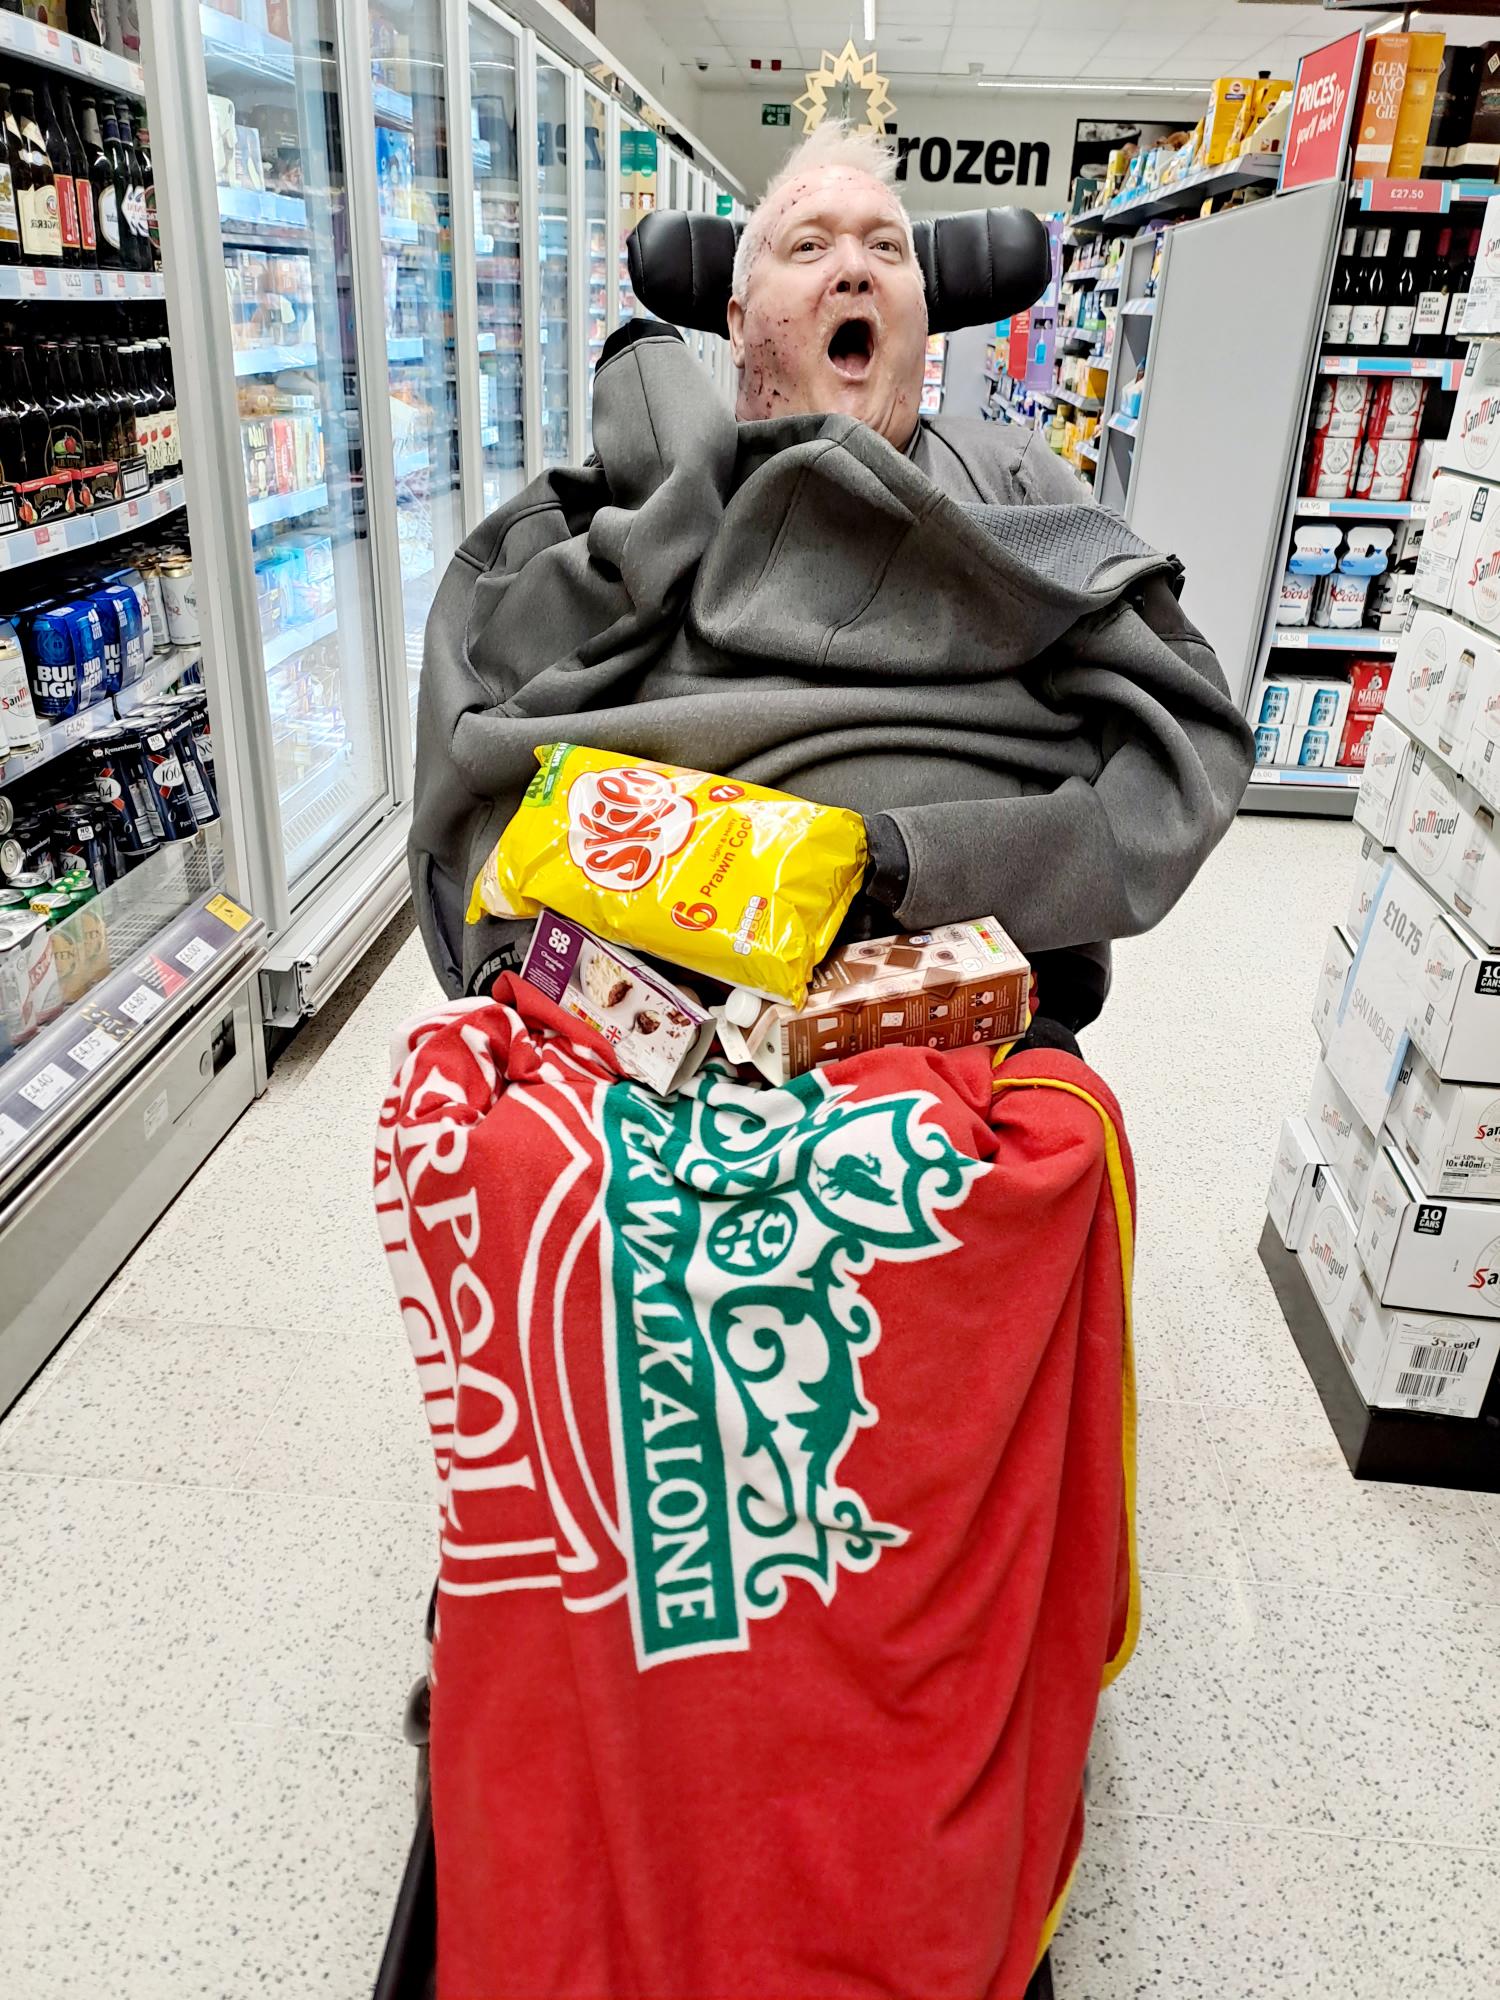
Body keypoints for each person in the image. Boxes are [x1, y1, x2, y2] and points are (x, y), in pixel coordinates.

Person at [411, 123, 1254, 1034]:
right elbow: (478, 752)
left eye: (886, 248)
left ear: (923, 314)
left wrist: (907, 859)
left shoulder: (1012, 482)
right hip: (650, 990)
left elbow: (1182, 736)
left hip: (967, 975)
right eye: (808, 246)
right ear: (735, 322)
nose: (854, 270)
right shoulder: (640, 497)